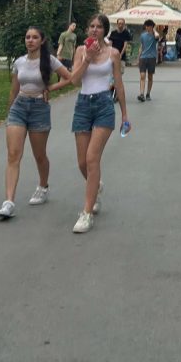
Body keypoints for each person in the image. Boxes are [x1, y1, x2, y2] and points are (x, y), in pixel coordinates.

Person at [0, 25, 72, 220]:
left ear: (42, 41)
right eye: (27, 37)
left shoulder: (49, 60)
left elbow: (69, 78)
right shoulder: (19, 62)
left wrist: (51, 89)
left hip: (39, 108)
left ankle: (43, 186)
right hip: (19, 108)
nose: (30, 40)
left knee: (39, 155)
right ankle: (9, 201)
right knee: (14, 155)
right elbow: (14, 89)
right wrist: (9, 110)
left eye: (34, 37)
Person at [67, 14, 128, 234]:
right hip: (83, 105)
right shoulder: (81, 52)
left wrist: (125, 114)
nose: (94, 30)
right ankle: (97, 186)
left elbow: (118, 85)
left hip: (103, 104)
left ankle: (86, 213)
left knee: (92, 158)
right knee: (83, 163)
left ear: (105, 31)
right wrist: (87, 59)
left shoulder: (113, 54)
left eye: (99, 27)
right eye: (91, 26)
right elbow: (74, 81)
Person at [137, 18, 158, 101]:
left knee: (150, 76)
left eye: (149, 26)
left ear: (152, 26)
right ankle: (141, 94)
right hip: (143, 57)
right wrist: (138, 57)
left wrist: (154, 30)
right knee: (142, 76)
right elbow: (141, 46)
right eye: (146, 26)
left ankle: (148, 93)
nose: (147, 27)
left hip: (152, 57)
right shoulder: (143, 35)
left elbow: (157, 37)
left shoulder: (154, 35)